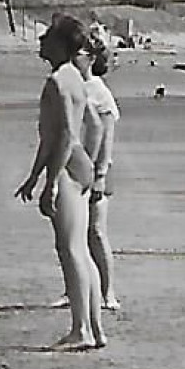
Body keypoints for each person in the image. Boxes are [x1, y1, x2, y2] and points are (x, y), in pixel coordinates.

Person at [15, 14, 104, 350]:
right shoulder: (75, 78)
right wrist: (34, 176)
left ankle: (81, 330)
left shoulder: (58, 80)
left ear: (59, 44)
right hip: (78, 164)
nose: (41, 40)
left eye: (47, 36)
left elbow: (65, 135)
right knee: (79, 249)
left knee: (70, 250)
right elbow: (72, 131)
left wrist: (50, 181)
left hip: (68, 166)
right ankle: (95, 328)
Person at [76, 32, 121, 314]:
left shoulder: (99, 91)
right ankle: (75, 288)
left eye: (78, 54)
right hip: (74, 167)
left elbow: (107, 136)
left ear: (91, 59)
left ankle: (108, 291)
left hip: (97, 169)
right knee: (73, 234)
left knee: (96, 232)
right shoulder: (70, 85)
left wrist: (100, 174)